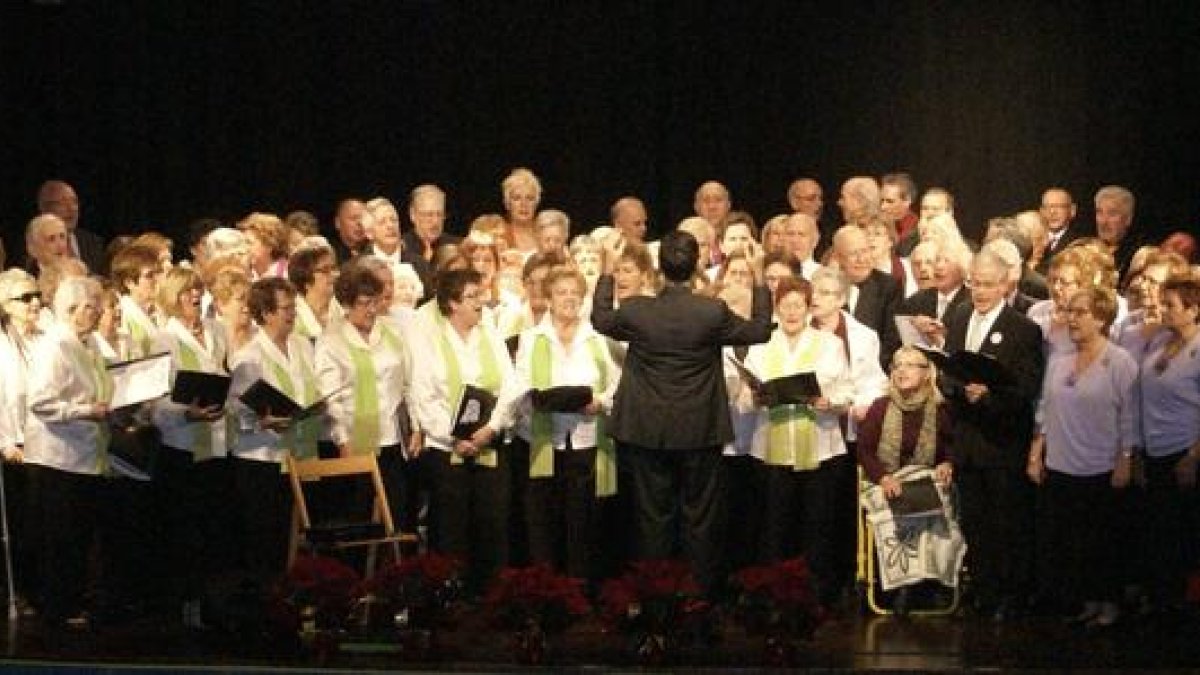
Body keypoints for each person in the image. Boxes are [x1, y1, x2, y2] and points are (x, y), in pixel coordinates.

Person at [590, 230, 773, 596]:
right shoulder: (711, 311)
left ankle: (654, 594)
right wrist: (757, 276)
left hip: (646, 429)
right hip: (698, 429)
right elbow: (759, 330)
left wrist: (608, 271)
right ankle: (698, 595)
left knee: (651, 516)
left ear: (660, 267)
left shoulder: (637, 309)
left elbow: (600, 319)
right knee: (700, 516)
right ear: (696, 267)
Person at [938, 248, 1045, 620]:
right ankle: (982, 590)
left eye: (987, 285)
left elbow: (1027, 389)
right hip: (967, 443)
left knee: (1006, 524)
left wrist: (989, 396)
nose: (979, 291)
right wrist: (954, 385)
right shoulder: (960, 315)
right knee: (975, 523)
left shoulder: (1024, 329)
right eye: (974, 284)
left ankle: (1008, 595)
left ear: (1006, 285)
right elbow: (949, 368)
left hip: (1001, 444)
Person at [1027, 285, 1135, 628]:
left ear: (1101, 319)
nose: (1071, 319)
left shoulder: (1120, 362)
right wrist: (1036, 452)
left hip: (1101, 463)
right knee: (1072, 540)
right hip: (1062, 462)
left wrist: (1126, 457)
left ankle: (1109, 603)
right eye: (1069, 312)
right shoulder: (1059, 362)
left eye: (1080, 313)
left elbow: (1130, 414)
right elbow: (1045, 409)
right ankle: (1087, 601)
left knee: (1102, 539)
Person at [741, 276, 852, 603]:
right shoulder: (762, 345)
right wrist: (756, 398)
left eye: (798, 305)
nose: (791, 312)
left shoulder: (828, 343)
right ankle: (775, 592)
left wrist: (826, 401)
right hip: (772, 449)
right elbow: (745, 398)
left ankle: (817, 592)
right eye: (785, 305)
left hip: (819, 447)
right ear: (776, 308)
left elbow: (846, 390)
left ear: (808, 309)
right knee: (775, 525)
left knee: (816, 524)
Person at [410, 269, 516, 595]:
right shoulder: (431, 339)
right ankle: (452, 596)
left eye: (480, 294)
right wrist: (454, 437)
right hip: (448, 450)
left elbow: (510, 386)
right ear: (452, 304)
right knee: (452, 529)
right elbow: (423, 395)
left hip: (489, 443)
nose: (480, 302)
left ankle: (491, 596)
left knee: (492, 523)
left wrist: (492, 428)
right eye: (471, 296)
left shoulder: (491, 334)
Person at [511, 267, 619, 582]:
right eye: (562, 292)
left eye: (575, 292)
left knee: (582, 522)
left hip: (586, 440)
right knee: (544, 522)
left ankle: (582, 587)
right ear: (548, 298)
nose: (569, 298)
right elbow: (520, 382)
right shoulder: (531, 339)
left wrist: (601, 402)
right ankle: (547, 589)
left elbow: (617, 384)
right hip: (543, 441)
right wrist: (537, 400)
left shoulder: (599, 338)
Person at [24, 276, 109, 629]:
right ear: (72, 309)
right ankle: (55, 608)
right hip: (58, 458)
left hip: (85, 456)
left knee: (76, 536)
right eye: (91, 306)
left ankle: (70, 601)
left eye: (98, 305)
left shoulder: (88, 345)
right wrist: (86, 410)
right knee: (59, 538)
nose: (98, 312)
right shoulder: (56, 345)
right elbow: (41, 402)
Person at [150, 266, 233, 629]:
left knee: (214, 528)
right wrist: (187, 412)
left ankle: (210, 604)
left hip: (214, 444)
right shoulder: (163, 339)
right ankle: (182, 606)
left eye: (198, 290)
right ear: (172, 297)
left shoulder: (217, 331)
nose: (195, 297)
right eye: (186, 292)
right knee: (184, 530)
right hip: (182, 446)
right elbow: (154, 401)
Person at [229, 278, 323, 579]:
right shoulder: (250, 357)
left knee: (298, 538)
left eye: (293, 307)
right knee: (267, 541)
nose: (292, 313)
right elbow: (234, 410)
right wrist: (261, 421)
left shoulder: (302, 346)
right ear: (266, 313)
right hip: (264, 460)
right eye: (285, 308)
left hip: (301, 455)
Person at [857, 345, 956, 611]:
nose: (902, 370)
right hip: (886, 479)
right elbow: (864, 451)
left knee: (935, 504)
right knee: (898, 505)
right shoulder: (880, 407)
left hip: (925, 475)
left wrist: (947, 462)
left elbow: (949, 447)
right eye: (898, 365)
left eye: (911, 365)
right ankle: (902, 586)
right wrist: (884, 478)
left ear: (927, 373)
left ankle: (931, 582)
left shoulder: (940, 408)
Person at [1137, 275, 1200, 616]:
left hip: (1185, 452)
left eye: (1171, 305)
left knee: (1183, 532)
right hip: (1155, 450)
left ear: (1193, 310)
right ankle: (1162, 598)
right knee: (1159, 531)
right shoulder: (1161, 340)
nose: (1163, 310)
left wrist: (1193, 455)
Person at [36, 180, 106, 273]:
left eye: (74, 202)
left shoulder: (94, 243)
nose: (71, 208)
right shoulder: (36, 245)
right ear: (44, 209)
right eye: (62, 203)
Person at [288, 243, 341, 341]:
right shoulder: (290, 318)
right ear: (306, 280)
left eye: (334, 268)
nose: (335, 274)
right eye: (325, 270)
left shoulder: (346, 310)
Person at [502, 168, 542, 254]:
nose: (524, 204)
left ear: (536, 203)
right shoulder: (498, 235)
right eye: (517, 198)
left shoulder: (547, 234)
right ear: (507, 204)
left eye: (529, 198)